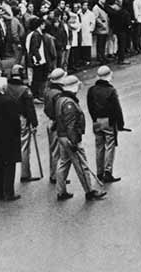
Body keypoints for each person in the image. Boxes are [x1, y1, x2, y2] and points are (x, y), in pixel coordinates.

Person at [51, 72, 107, 202]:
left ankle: (61, 191)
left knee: (63, 163)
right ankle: (89, 191)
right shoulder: (69, 103)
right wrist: (74, 142)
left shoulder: (60, 99)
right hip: (70, 138)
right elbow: (71, 124)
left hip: (62, 136)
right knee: (82, 165)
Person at [87, 65, 126, 183]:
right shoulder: (111, 90)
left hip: (96, 121)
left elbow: (90, 106)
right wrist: (120, 123)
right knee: (110, 146)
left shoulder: (92, 90)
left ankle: (99, 172)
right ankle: (108, 171)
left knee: (99, 146)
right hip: (108, 121)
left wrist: (94, 118)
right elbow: (117, 109)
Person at [7, 66, 40, 182]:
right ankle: (25, 174)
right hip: (21, 118)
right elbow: (30, 108)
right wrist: (34, 123)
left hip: (8, 118)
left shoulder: (6, 87)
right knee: (24, 146)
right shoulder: (24, 89)